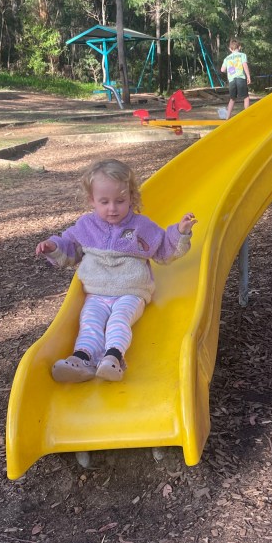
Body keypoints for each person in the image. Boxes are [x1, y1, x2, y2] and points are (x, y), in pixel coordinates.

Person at [36, 159, 197, 383]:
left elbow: (163, 250)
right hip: (96, 293)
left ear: (131, 197)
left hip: (130, 292)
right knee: (89, 322)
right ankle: (82, 358)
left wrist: (180, 232)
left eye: (120, 201)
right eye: (104, 202)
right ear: (92, 200)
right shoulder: (86, 226)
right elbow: (70, 249)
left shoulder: (141, 226)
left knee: (118, 321)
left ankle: (113, 357)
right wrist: (53, 247)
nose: (112, 208)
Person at [219, 38, 251, 119]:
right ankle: (247, 115)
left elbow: (222, 70)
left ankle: (227, 117)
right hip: (240, 78)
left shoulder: (227, 58)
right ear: (239, 47)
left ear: (230, 49)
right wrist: (248, 76)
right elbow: (245, 66)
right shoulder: (242, 55)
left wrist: (229, 70)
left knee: (232, 99)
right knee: (246, 97)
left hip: (232, 80)